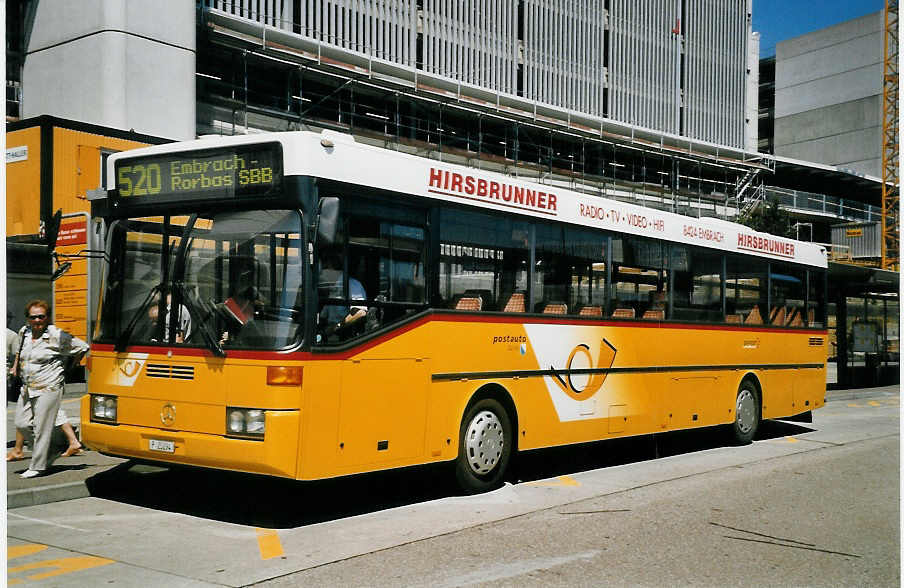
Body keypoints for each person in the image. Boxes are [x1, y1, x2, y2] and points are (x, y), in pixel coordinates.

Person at [10, 300, 88, 478]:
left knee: (41, 428)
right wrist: (15, 367)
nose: (37, 320)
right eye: (33, 317)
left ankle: (38, 466)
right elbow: (19, 353)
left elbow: (82, 347)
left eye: (41, 316)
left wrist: (70, 367)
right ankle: (51, 450)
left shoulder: (55, 335)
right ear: (27, 318)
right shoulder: (25, 332)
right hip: (28, 386)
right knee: (21, 423)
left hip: (49, 386)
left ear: (47, 317)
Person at [318, 252, 367, 340]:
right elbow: (323, 316)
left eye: (324, 269)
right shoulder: (332, 287)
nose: (321, 274)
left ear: (332, 269)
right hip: (330, 335)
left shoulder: (352, 284)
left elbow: (360, 313)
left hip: (345, 338)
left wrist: (336, 327)